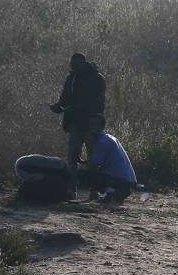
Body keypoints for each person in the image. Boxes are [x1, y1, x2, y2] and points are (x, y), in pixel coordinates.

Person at [49, 53, 106, 200]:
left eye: (75, 63)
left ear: (83, 63)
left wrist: (76, 107)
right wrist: (58, 107)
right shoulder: (72, 78)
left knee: (93, 159)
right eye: (72, 63)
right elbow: (64, 99)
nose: (73, 66)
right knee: (72, 158)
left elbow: (98, 104)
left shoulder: (97, 79)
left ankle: (94, 191)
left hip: (91, 123)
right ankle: (71, 190)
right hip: (75, 123)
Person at [85, 116, 137, 203]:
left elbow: (93, 165)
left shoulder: (102, 142)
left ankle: (107, 193)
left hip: (121, 182)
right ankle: (113, 194)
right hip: (129, 182)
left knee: (88, 174)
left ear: (101, 126)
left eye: (95, 125)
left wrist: (89, 146)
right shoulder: (109, 138)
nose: (92, 127)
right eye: (90, 125)